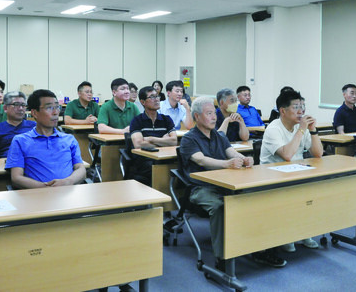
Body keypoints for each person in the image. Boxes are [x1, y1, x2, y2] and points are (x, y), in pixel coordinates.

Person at [179, 97, 285, 269]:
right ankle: (223, 257)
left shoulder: (219, 136)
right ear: (197, 116)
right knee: (221, 207)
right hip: (201, 189)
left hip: (225, 185)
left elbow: (231, 152)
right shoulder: (189, 139)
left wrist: (245, 159)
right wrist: (226, 164)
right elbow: (201, 160)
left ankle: (260, 249)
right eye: (209, 114)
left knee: (257, 199)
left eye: (214, 113)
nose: (214, 117)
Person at [260, 89, 323, 252]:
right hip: (271, 177)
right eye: (296, 107)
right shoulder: (274, 128)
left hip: (296, 173)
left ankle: (303, 232)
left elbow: (318, 153)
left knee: (315, 193)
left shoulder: (300, 127)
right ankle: (287, 234)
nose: (301, 111)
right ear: (283, 111)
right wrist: (302, 130)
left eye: (302, 106)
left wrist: (313, 130)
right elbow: (287, 155)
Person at [6, 89, 85, 189]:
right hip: (37, 196)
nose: (56, 112)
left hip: (68, 193)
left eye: (57, 107)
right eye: (49, 108)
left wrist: (68, 181)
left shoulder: (69, 139)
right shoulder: (20, 141)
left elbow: (80, 168)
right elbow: (16, 178)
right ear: (34, 113)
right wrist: (46, 188)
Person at [129, 86, 178, 185]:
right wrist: (163, 141)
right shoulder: (137, 121)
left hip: (166, 157)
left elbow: (174, 141)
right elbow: (138, 144)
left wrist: (151, 139)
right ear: (143, 102)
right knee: (156, 168)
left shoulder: (166, 119)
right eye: (152, 97)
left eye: (157, 96)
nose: (156, 99)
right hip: (146, 160)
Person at [0, 91, 36, 159]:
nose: (21, 108)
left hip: (31, 162)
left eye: (23, 105)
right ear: (5, 108)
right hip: (6, 163)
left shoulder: (34, 127)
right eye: (16, 104)